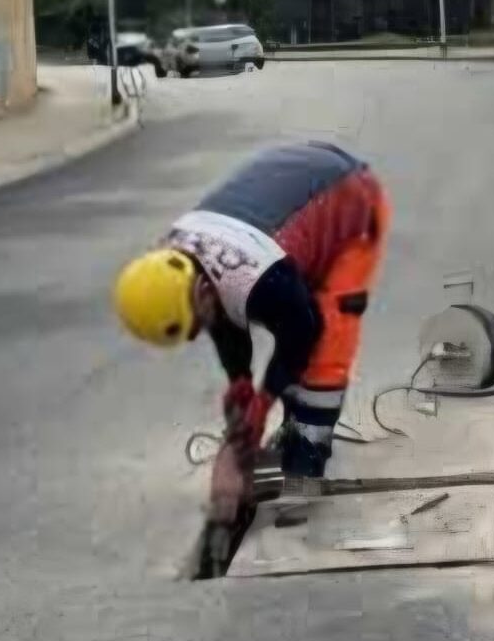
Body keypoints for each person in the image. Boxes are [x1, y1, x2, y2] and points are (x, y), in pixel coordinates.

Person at [112, 141, 390, 516]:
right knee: (289, 344)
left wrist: (263, 401)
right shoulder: (175, 260)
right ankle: (295, 429)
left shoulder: (260, 278)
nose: (198, 334)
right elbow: (222, 317)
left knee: (325, 346)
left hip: (349, 195)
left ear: (201, 291)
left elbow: (302, 332)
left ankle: (306, 466)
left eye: (195, 325)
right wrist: (240, 382)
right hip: (287, 191)